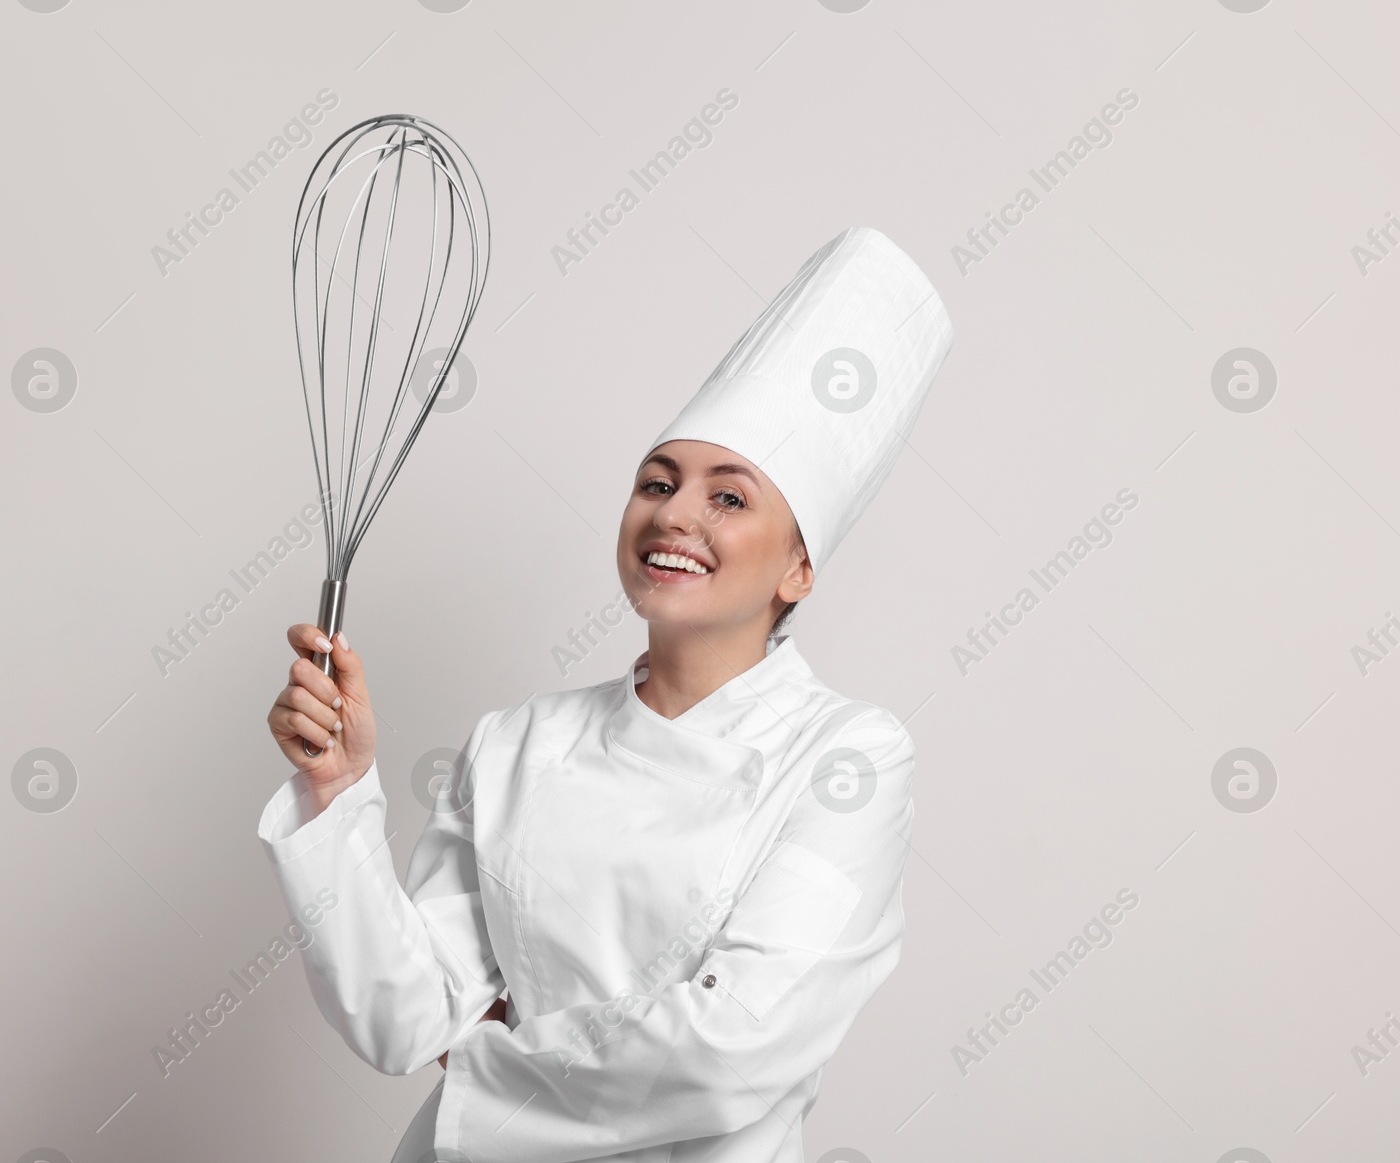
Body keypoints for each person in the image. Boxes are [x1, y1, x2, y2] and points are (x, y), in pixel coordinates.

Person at [257, 225, 955, 1163]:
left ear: (799, 565)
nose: (674, 513)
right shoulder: (517, 742)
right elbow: (403, 1014)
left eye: (730, 497)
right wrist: (340, 791)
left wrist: (481, 1065)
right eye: (657, 482)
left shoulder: (847, 757)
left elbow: (736, 1049)